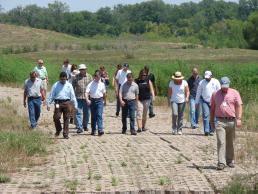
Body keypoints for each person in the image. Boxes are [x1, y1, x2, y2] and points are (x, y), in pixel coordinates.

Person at [210, 77, 243, 170]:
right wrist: (211, 121)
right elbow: (212, 108)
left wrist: (239, 118)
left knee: (231, 142)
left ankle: (230, 160)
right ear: (220, 85)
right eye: (223, 86)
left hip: (231, 121)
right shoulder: (215, 94)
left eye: (226, 86)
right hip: (220, 121)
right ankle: (221, 162)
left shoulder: (235, 93)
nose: (225, 88)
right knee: (221, 141)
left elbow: (239, 106)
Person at [47, 72, 78, 139]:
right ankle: (58, 129)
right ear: (59, 78)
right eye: (62, 79)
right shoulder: (55, 85)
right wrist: (48, 104)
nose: (63, 81)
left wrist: (75, 105)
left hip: (67, 103)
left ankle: (65, 133)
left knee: (66, 118)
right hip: (58, 103)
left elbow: (72, 96)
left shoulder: (69, 85)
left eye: (64, 79)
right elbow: (51, 95)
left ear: (66, 78)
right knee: (56, 117)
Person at [195, 70, 221, 136]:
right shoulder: (201, 82)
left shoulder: (216, 81)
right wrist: (196, 102)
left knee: (213, 117)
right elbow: (198, 93)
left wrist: (220, 101)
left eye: (208, 77)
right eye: (205, 77)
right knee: (205, 115)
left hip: (214, 101)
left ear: (211, 76)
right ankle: (206, 130)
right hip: (204, 101)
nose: (206, 78)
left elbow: (219, 91)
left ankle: (212, 130)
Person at [72, 64, 93, 133]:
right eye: (81, 69)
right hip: (78, 97)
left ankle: (85, 125)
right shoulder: (76, 77)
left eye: (83, 69)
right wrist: (72, 96)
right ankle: (79, 127)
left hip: (87, 98)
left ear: (85, 69)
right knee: (78, 112)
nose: (82, 71)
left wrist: (91, 97)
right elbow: (73, 87)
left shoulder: (90, 77)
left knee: (87, 113)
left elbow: (92, 87)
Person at [85, 70, 107, 136]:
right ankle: (93, 129)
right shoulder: (90, 84)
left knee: (99, 115)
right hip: (93, 101)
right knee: (93, 116)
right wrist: (87, 99)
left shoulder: (102, 84)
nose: (97, 78)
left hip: (100, 101)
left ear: (100, 76)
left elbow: (104, 93)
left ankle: (100, 129)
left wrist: (105, 101)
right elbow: (86, 92)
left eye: (99, 76)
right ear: (94, 77)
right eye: (96, 76)